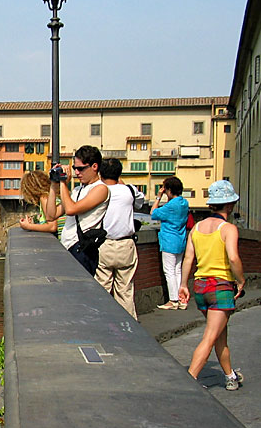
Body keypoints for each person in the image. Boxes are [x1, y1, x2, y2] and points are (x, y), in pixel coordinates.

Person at [178, 180, 246, 390]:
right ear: (230, 204)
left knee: (219, 335)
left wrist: (183, 285)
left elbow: (188, 259)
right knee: (210, 337)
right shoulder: (228, 229)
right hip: (221, 287)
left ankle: (230, 376)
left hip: (200, 287)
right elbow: (233, 258)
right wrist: (241, 280)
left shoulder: (196, 228)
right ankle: (190, 381)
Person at [46, 145, 110, 276]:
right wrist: (53, 185)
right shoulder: (77, 190)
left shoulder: (101, 189)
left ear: (94, 166)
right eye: (75, 168)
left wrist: (63, 182)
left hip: (83, 250)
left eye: (81, 169)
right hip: (68, 247)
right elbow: (51, 215)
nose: (77, 173)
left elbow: (71, 209)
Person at [94, 158, 144, 319]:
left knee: (102, 288)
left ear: (100, 173)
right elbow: (140, 203)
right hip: (126, 245)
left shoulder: (98, 192)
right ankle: (129, 325)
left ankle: (102, 323)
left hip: (104, 245)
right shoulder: (129, 191)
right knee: (125, 291)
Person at [151, 176, 189, 310]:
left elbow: (153, 213)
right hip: (180, 240)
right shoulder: (184, 203)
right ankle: (181, 299)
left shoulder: (171, 205)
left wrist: (158, 197)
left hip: (169, 241)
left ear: (169, 189)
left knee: (169, 271)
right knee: (177, 270)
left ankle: (173, 300)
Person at [18, 170, 65, 237]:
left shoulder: (44, 198)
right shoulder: (53, 195)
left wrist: (28, 226)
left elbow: (52, 226)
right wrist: (35, 224)